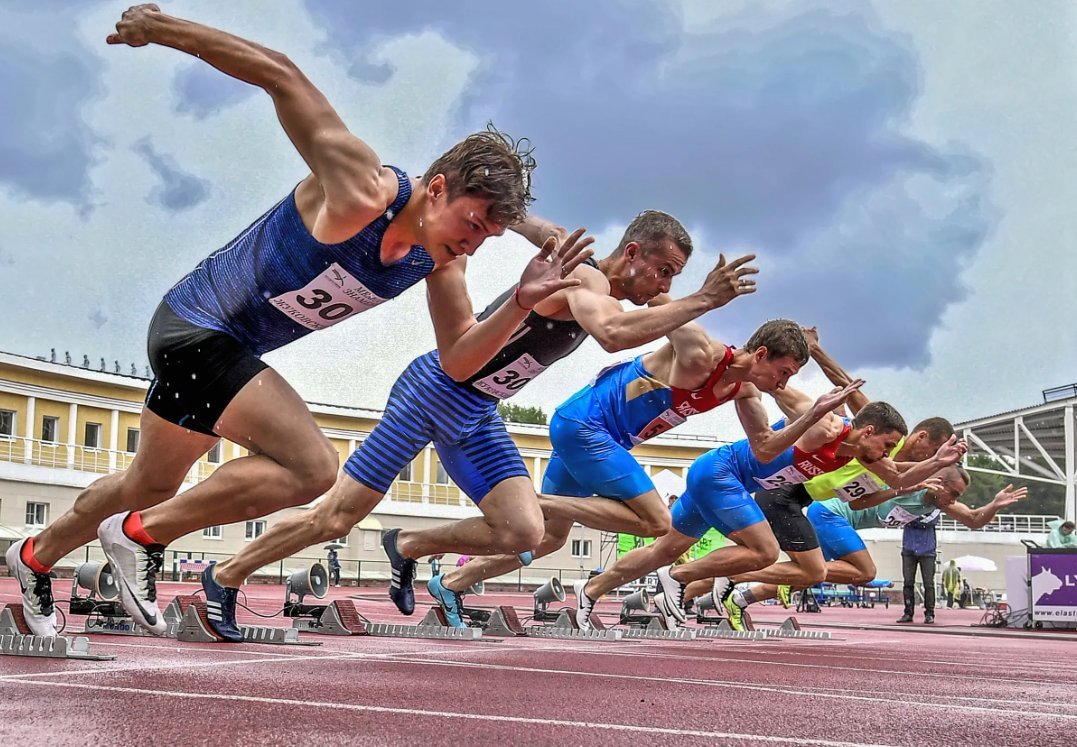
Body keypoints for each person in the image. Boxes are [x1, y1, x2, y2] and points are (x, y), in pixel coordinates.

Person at [3, 4, 591, 638]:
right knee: (312, 469)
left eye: (490, 237)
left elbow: (459, 361)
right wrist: (162, 29)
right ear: (439, 187)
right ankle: (142, 538)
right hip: (197, 325)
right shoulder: (362, 189)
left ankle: (34, 556)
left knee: (147, 481)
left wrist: (522, 301)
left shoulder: (439, 263)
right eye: (473, 225)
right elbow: (281, 74)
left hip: (223, 352)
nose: (474, 245)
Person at [202, 211, 759, 639]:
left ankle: (407, 545)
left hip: (476, 411)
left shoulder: (573, 253)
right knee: (337, 517)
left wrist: (506, 210)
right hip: (433, 390)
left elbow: (529, 223)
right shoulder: (585, 280)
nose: (662, 284)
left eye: (674, 278)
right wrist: (705, 298)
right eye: (662, 271)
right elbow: (613, 333)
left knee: (523, 531)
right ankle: (225, 575)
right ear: (632, 253)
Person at [429, 317, 855, 627]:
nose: (783, 383)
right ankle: (527, 500)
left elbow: (764, 449)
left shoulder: (743, 390)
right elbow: (661, 306)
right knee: (656, 521)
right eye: (783, 372)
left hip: (595, 442)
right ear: (761, 354)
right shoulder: (701, 352)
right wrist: (706, 295)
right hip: (586, 426)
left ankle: (452, 581)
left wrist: (811, 414)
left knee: (545, 537)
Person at [577, 390, 920, 631]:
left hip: (715, 476)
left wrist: (938, 463)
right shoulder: (828, 426)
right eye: (888, 446)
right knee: (765, 551)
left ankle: (590, 591)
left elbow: (899, 476)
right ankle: (679, 577)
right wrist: (795, 393)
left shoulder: (861, 455)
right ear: (869, 431)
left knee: (662, 550)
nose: (888, 455)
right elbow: (786, 393)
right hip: (723, 476)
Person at [707, 328, 967, 625]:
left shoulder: (887, 462)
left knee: (801, 567)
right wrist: (815, 350)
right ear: (920, 437)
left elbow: (877, 491)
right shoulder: (880, 432)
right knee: (806, 569)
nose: (929, 459)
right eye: (932, 450)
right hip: (784, 488)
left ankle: (698, 589)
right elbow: (847, 385)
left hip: (798, 497)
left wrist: (931, 467)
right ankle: (728, 581)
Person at [897, 512, 940, 623]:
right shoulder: (908, 504)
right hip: (909, 549)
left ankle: (930, 613)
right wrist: (918, 519)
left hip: (927, 551)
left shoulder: (934, 506)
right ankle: (908, 612)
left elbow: (932, 520)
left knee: (928, 584)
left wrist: (913, 519)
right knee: (908, 583)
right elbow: (902, 518)